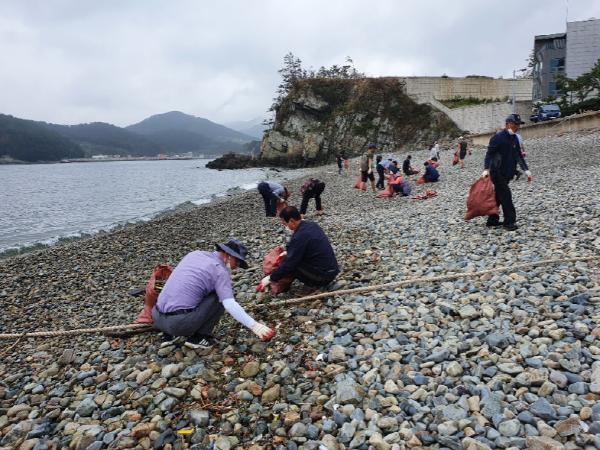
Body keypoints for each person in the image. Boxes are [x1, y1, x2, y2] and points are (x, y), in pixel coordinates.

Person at [153, 240, 275, 350]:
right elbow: (229, 304)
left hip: (157, 317)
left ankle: (168, 336)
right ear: (229, 256)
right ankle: (198, 338)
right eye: (237, 262)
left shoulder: (194, 254)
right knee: (220, 296)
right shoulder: (219, 271)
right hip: (178, 324)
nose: (236, 267)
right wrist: (254, 326)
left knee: (187, 290)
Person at [259, 206, 339, 292]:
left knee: (290, 263)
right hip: (332, 270)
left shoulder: (300, 236)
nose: (285, 227)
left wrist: (271, 278)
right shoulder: (312, 225)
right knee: (291, 257)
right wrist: (288, 252)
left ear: (292, 221)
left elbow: (289, 264)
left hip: (324, 277)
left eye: (285, 224)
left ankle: (314, 285)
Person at [482, 114, 532, 231]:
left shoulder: (515, 138)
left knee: (498, 197)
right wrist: (486, 169)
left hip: (508, 173)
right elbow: (489, 154)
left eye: (518, 125)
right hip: (497, 172)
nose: (517, 127)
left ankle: (492, 220)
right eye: (515, 124)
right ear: (508, 124)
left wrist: (526, 170)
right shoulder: (497, 138)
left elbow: (518, 155)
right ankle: (509, 222)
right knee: (506, 196)